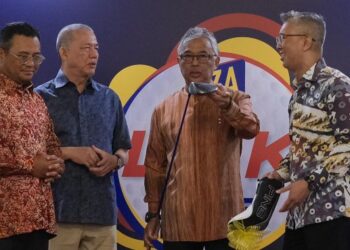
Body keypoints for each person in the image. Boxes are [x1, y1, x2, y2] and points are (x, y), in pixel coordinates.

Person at [143, 27, 260, 250]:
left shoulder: (236, 98)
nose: (194, 63)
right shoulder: (163, 109)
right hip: (180, 222)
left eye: (203, 56)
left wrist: (227, 106)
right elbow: (154, 167)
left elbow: (251, 129)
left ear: (216, 61)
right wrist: (153, 215)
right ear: (178, 62)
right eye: (188, 56)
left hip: (225, 220)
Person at [35, 24, 131, 250]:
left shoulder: (110, 98)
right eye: (86, 48)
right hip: (58, 215)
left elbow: (123, 150)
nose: (94, 54)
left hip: (102, 215)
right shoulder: (40, 98)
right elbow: (29, 154)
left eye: (96, 48)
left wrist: (114, 161)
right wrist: (69, 153)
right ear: (64, 52)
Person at [267, 10, 350, 250]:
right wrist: (280, 172)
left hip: (332, 215)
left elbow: (347, 146)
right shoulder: (298, 94)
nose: (279, 46)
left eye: (283, 38)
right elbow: (305, 150)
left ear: (305, 41)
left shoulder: (337, 85)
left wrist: (309, 183)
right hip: (299, 218)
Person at [0, 22, 64, 250]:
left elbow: (52, 146)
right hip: (5, 224)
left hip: (39, 220)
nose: (30, 64)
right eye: (23, 56)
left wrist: (55, 164)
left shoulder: (36, 100)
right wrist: (31, 166)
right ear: (2, 54)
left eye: (36, 57)